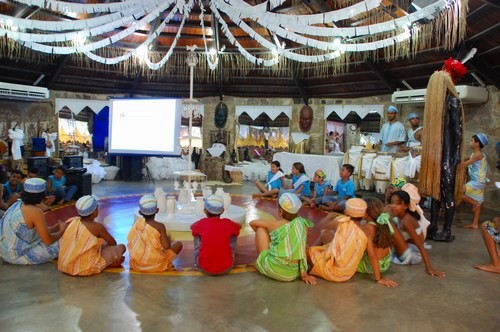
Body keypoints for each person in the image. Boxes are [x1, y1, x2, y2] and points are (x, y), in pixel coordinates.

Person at [419, 57, 467, 242]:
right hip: (438, 155)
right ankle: (433, 226)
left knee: (447, 191)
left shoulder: (453, 102)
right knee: (435, 192)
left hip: (448, 156)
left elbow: (458, 131)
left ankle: (447, 229)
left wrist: (455, 156)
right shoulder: (438, 105)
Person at [250, 193, 316, 284]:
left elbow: (252, 223)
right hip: (292, 274)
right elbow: (302, 250)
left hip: (272, 269)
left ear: (280, 211)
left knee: (261, 229)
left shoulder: (275, 225)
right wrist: (304, 274)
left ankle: (262, 261)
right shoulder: (303, 224)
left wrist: (269, 236)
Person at [0, 178, 66, 264]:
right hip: (17, 256)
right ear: (42, 195)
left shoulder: (17, 204)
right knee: (64, 241)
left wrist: (53, 229)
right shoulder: (35, 211)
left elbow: (27, 232)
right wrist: (61, 231)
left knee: (54, 236)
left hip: (5, 252)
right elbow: (48, 240)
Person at [58, 195, 126, 276]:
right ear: (94, 212)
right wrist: (102, 249)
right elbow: (113, 243)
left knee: (101, 242)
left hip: (64, 266)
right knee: (121, 247)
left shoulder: (72, 221)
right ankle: (106, 263)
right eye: (97, 208)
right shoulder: (97, 227)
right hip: (86, 268)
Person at [389, 190, 445, 277]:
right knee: (387, 220)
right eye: (392, 203)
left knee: (389, 224)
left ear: (406, 206)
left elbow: (420, 244)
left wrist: (429, 268)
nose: (393, 206)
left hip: (412, 255)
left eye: (398, 204)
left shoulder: (407, 221)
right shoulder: (401, 215)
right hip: (408, 247)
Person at [128, 194, 183, 272]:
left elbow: (131, 241)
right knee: (178, 244)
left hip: (138, 265)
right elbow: (166, 246)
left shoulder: (136, 224)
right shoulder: (160, 226)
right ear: (157, 210)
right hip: (156, 265)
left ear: (140, 212)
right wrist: (168, 240)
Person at [190, 195, 241, 275]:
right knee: (234, 231)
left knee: (196, 233)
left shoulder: (201, 223)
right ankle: (229, 254)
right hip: (227, 268)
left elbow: (192, 227)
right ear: (223, 211)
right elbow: (239, 227)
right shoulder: (227, 223)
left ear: (205, 211)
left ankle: (198, 261)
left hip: (204, 268)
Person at [462, 133, 489, 229]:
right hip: (479, 181)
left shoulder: (477, 154)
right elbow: (466, 158)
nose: (470, 142)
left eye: (471, 141)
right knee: (478, 198)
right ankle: (475, 223)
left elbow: (464, 165)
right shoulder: (476, 154)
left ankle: (475, 204)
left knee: (458, 192)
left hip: (477, 182)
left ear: (477, 144)